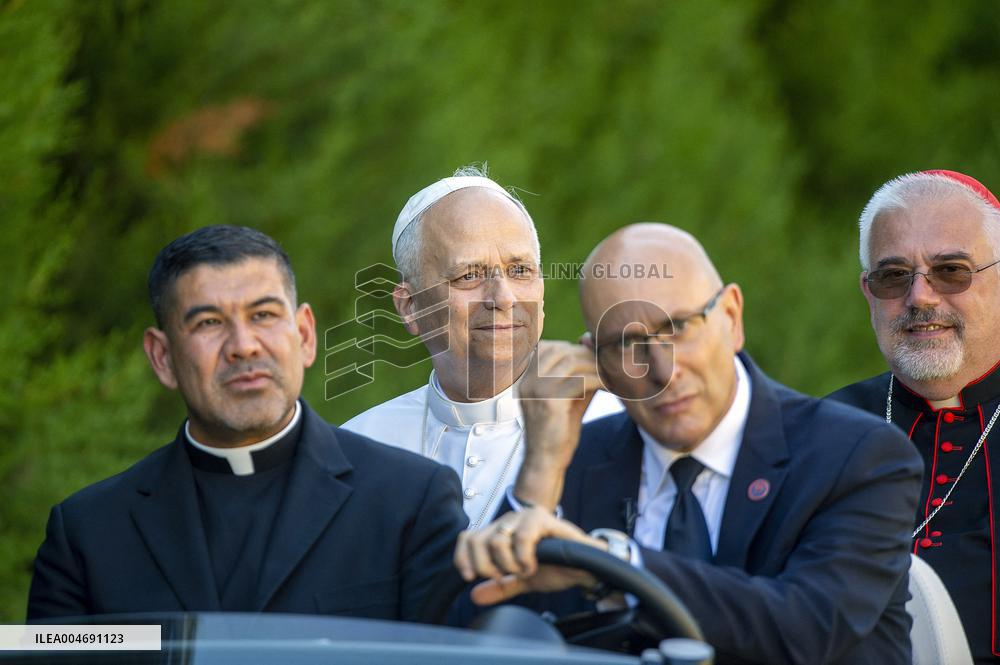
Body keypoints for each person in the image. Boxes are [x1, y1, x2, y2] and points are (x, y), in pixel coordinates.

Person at [455, 223, 923, 664]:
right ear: (596, 361)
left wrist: (614, 564)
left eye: (678, 327)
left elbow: (806, 627)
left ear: (732, 317)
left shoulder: (859, 456)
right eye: (626, 346)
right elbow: (478, 636)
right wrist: (541, 465)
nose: (663, 371)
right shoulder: (575, 462)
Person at [27, 225, 467, 621]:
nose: (243, 346)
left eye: (263, 315)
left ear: (305, 336)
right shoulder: (88, 534)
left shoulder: (410, 503)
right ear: (163, 358)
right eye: (209, 322)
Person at [343, 165, 620, 528]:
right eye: (469, 276)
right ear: (410, 307)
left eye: (520, 271)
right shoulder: (355, 451)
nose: (503, 298)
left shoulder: (615, 427)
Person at [829, 169, 1000, 663]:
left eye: (951, 270)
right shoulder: (819, 433)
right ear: (868, 293)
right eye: (893, 276)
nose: (920, 297)